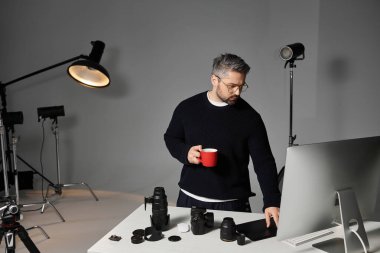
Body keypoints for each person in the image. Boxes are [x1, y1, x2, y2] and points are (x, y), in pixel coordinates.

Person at [164, 53, 280, 227]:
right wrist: (185, 152)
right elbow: (171, 138)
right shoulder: (187, 108)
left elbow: (264, 162)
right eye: (232, 86)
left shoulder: (251, 118)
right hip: (190, 200)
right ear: (214, 79)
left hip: (233, 204)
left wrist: (272, 200)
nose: (237, 92)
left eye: (242, 86)